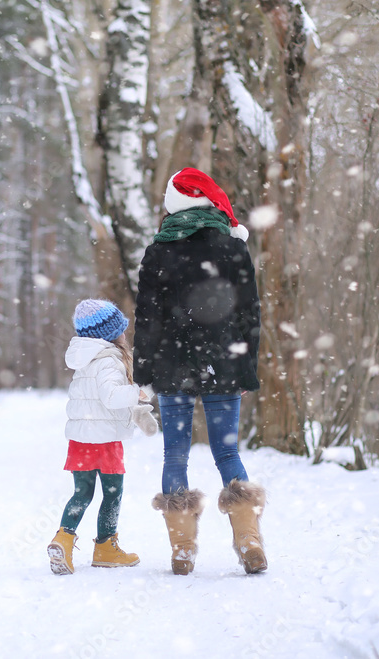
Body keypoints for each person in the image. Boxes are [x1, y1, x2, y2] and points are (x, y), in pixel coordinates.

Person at [133, 167, 268, 576]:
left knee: (175, 452)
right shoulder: (232, 247)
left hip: (173, 365)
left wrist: (143, 370)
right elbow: (249, 314)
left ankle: (182, 550)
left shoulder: (159, 250)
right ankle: (248, 541)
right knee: (227, 452)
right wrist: (246, 370)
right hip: (224, 362)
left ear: (174, 204)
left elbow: (147, 317)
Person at [47, 299, 158, 575]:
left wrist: (138, 412)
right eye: (120, 328)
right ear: (109, 334)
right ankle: (106, 547)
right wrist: (140, 393)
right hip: (105, 440)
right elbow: (111, 397)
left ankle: (63, 539)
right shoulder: (109, 360)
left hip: (81, 440)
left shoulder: (85, 359)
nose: (124, 333)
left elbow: (97, 399)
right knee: (112, 493)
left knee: (82, 493)